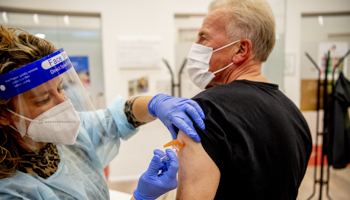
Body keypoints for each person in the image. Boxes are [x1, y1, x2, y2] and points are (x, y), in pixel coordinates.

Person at [0, 25, 205, 199]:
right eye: (43, 99)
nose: (64, 102)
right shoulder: (9, 191)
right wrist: (141, 197)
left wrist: (157, 103)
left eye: (61, 88)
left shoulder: (69, 135)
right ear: (4, 114)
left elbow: (117, 118)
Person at [172, 0, 312, 199]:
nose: (194, 47)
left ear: (241, 49)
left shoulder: (204, 110)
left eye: (204, 38)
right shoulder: (295, 115)